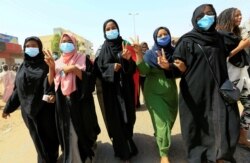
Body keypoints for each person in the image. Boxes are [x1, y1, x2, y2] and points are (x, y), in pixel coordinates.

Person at [169, 4, 242, 163]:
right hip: (195, 91)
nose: (206, 17)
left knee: (228, 122)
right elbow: (175, 68)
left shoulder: (221, 37)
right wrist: (178, 67)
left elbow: (237, 46)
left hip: (220, 87)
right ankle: (200, 157)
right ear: (195, 19)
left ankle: (221, 156)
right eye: (201, 16)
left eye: (210, 13)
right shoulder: (187, 41)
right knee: (198, 125)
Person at [44, 32, 100, 163]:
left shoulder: (82, 59)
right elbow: (50, 85)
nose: (66, 44)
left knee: (81, 132)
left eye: (69, 42)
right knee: (68, 134)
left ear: (74, 44)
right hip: (63, 105)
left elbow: (91, 80)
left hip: (80, 103)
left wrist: (75, 69)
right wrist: (51, 68)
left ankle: (85, 155)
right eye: (63, 42)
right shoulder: (56, 62)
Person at [2, 36, 59, 163]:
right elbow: (18, 91)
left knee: (49, 140)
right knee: (38, 142)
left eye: (34, 46)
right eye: (27, 46)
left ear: (39, 48)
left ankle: (51, 158)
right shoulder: (22, 67)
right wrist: (8, 108)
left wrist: (52, 68)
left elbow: (51, 85)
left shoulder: (46, 65)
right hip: (29, 113)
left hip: (45, 111)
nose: (30, 48)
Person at [132, 27, 184, 163]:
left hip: (171, 91)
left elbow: (180, 72)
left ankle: (160, 138)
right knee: (162, 121)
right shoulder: (149, 54)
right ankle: (164, 153)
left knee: (170, 118)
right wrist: (139, 54)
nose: (163, 37)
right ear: (155, 38)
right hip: (153, 92)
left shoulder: (175, 52)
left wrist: (169, 66)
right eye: (159, 35)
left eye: (165, 34)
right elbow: (143, 71)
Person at [94, 19, 138, 162]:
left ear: (118, 29)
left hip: (125, 89)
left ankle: (129, 141)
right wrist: (111, 68)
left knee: (128, 118)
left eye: (113, 27)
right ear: (104, 32)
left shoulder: (125, 45)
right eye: (108, 29)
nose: (111, 30)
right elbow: (98, 70)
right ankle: (124, 153)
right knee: (116, 121)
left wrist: (127, 60)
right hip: (110, 93)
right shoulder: (101, 50)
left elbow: (132, 70)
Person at [217, 8, 250, 149]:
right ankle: (223, 144)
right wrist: (239, 47)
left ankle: (242, 135)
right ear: (228, 16)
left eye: (240, 15)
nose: (240, 17)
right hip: (228, 78)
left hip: (243, 76)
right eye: (236, 15)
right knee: (227, 111)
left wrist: (236, 49)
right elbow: (221, 55)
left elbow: (247, 39)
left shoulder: (239, 32)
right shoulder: (218, 34)